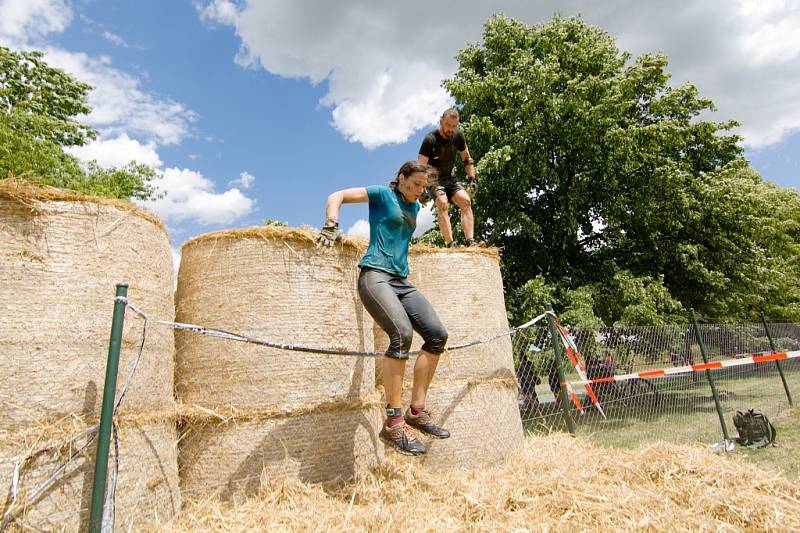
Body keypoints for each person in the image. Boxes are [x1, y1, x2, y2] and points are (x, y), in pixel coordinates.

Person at [316, 161, 450, 456]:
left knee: (437, 335)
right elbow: (336, 195)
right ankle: (394, 420)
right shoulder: (381, 195)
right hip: (374, 275)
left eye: (422, 187)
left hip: (400, 280)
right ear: (401, 179)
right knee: (401, 334)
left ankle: (416, 410)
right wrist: (332, 223)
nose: (419, 191)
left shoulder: (414, 208)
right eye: (414, 184)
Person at [418, 107, 478, 247]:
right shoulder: (430, 139)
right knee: (443, 202)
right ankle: (451, 243)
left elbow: (467, 159)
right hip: (433, 179)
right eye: (447, 125)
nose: (450, 129)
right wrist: (421, 189)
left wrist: (472, 179)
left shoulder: (458, 136)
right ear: (441, 121)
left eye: (453, 126)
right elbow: (420, 167)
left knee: (466, 201)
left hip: (449, 178)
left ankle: (471, 241)